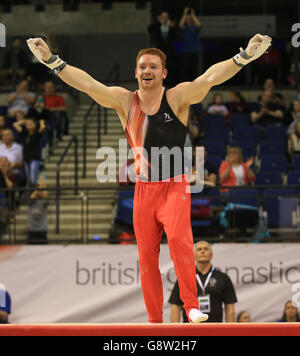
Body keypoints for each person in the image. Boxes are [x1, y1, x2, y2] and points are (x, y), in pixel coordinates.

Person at [26, 33, 271, 324]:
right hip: (144, 190)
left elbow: (209, 79)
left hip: (174, 185)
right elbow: (88, 84)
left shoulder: (177, 97)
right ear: (135, 72)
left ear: (163, 73)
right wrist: (52, 61)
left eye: (153, 66)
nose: (147, 71)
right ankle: (155, 321)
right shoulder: (124, 101)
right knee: (146, 259)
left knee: (180, 241)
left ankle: (191, 305)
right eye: (142, 66)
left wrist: (244, 57)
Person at [169, 240, 237, 323]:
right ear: (194, 255)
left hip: (215, 329)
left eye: (206, 249)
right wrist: (175, 332)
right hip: (190, 329)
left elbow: (229, 308)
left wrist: (229, 333)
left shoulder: (223, 277)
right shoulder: (185, 278)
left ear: (211, 255)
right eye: (199, 249)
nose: (202, 251)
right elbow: (175, 305)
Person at [13, 117, 46, 186]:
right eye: (27, 124)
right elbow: (15, 125)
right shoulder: (24, 134)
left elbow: (42, 127)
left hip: (34, 158)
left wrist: (41, 122)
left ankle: (34, 192)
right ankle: (32, 192)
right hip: (26, 158)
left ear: (35, 125)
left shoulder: (37, 133)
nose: (29, 126)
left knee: (33, 178)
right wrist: (23, 121)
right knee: (29, 178)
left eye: (31, 124)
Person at [179, 7, 201, 81]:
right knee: (186, 71)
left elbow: (199, 25)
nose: (189, 20)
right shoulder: (185, 28)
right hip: (186, 52)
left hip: (194, 52)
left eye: (190, 19)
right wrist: (185, 14)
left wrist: (192, 15)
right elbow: (180, 24)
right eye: (187, 19)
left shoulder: (195, 28)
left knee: (194, 70)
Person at [27, 177, 49, 244]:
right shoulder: (31, 202)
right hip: (32, 231)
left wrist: (43, 186)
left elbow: (46, 196)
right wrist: (39, 189)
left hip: (42, 231)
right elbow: (31, 198)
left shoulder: (44, 202)